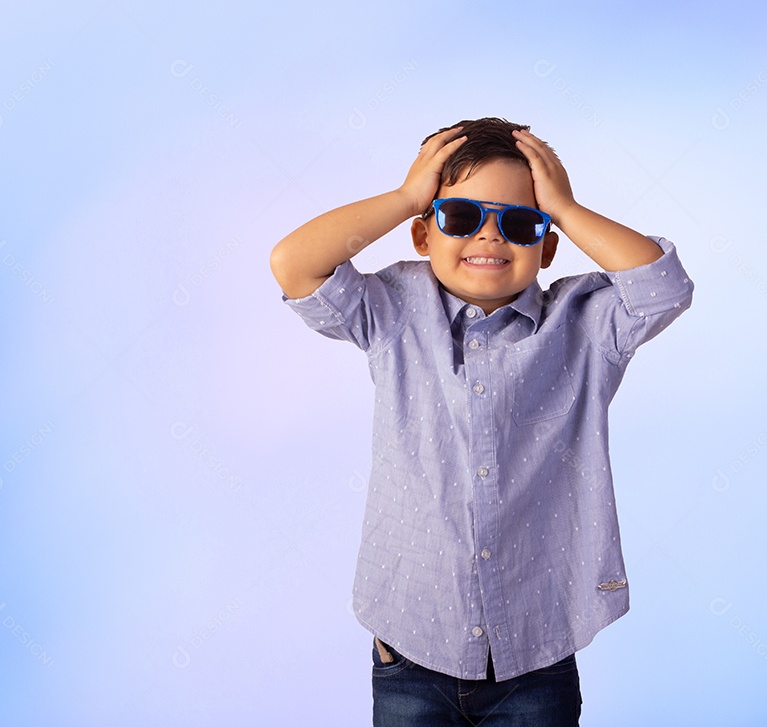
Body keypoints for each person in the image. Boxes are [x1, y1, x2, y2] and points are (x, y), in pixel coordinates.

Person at [270, 117, 693, 725]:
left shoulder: (585, 324)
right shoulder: (393, 310)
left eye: (519, 224)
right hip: (411, 654)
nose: (489, 238)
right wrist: (404, 198)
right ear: (423, 234)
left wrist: (565, 208)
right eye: (462, 217)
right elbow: (293, 265)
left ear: (547, 246)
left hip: (535, 662)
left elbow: (663, 287)